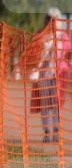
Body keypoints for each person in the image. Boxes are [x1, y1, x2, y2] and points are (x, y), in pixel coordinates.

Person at [30, 8, 70, 144]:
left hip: (58, 75)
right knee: (46, 105)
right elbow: (33, 52)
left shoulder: (62, 36)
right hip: (43, 75)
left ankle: (57, 131)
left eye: (53, 19)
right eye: (48, 18)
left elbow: (68, 52)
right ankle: (47, 133)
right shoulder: (40, 34)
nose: (50, 21)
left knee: (56, 104)